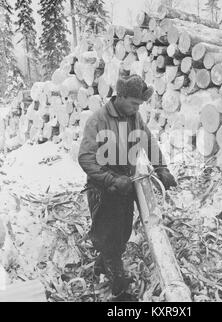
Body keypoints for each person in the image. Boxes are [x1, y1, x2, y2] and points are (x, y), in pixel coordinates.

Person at [78, 74, 177, 298]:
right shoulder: (98, 120)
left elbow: (147, 141)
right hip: (103, 186)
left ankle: (102, 265)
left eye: (139, 104)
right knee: (108, 233)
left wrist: (162, 168)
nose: (136, 108)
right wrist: (110, 180)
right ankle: (119, 287)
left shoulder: (133, 116)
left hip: (126, 182)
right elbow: (85, 158)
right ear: (120, 97)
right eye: (133, 103)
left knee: (122, 231)